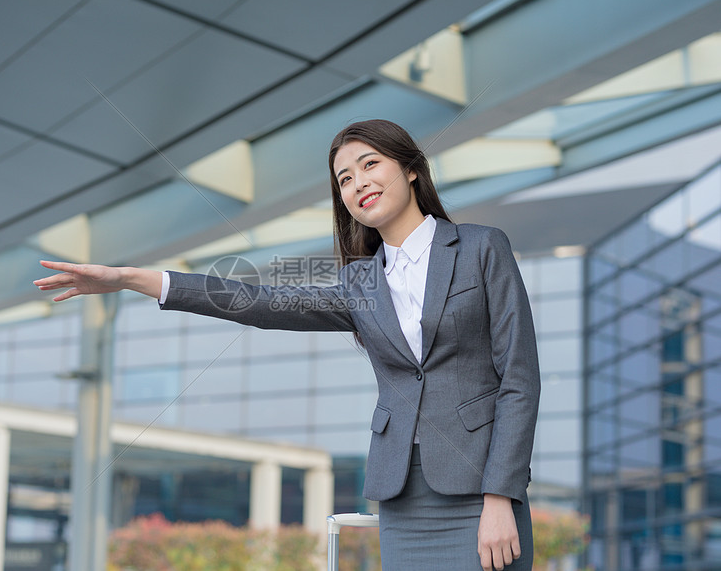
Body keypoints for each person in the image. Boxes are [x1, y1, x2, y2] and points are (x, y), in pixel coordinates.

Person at [34, 119, 540, 571]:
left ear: (410, 169)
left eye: (370, 164)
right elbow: (256, 302)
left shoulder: (480, 247)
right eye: (344, 179)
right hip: (403, 494)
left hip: (482, 488)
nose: (358, 183)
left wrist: (499, 497)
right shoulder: (360, 282)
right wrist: (131, 279)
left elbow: (518, 379)